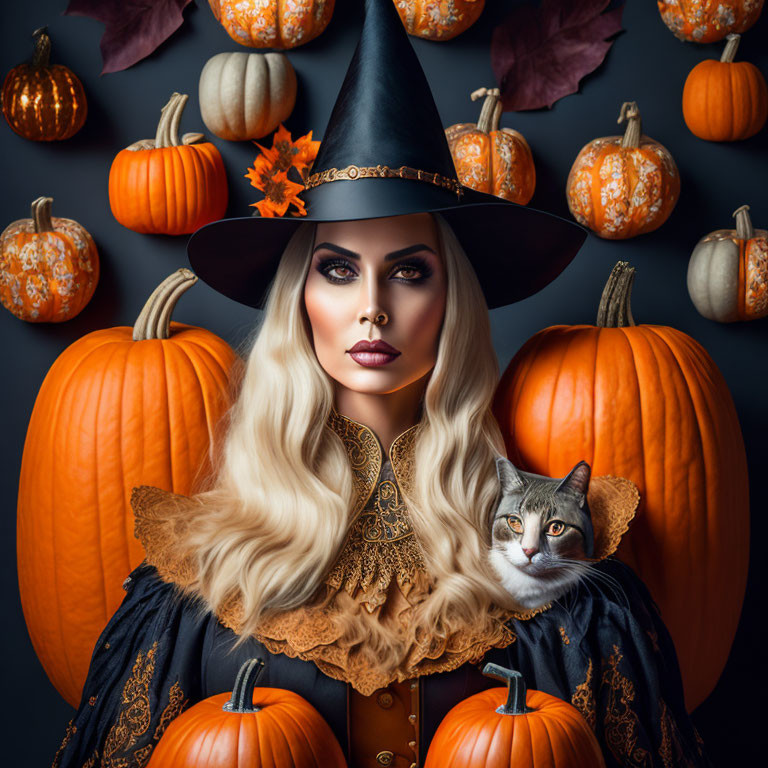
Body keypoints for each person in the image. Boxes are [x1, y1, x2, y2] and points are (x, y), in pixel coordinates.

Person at [52, 1, 709, 766]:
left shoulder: (562, 570)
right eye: (337, 270)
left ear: (451, 301)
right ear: (300, 298)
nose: (372, 308)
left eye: (409, 271)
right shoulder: (196, 576)